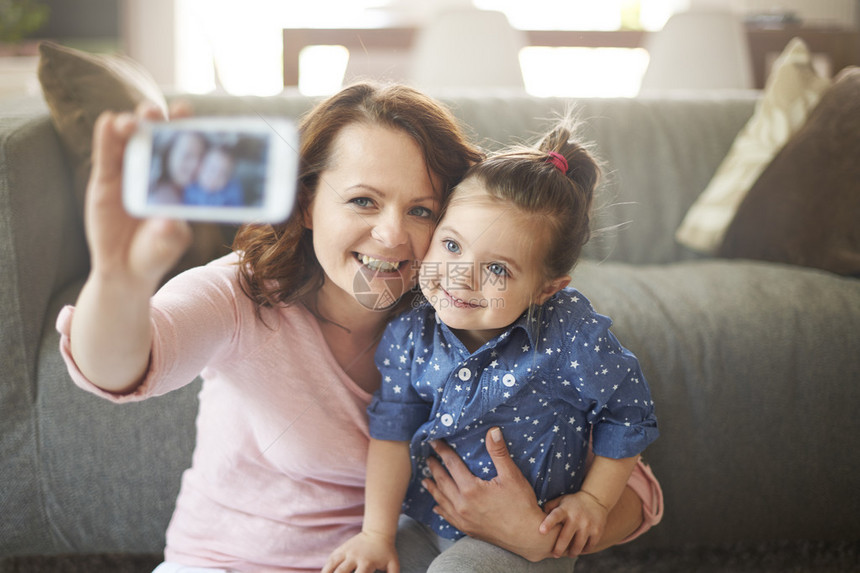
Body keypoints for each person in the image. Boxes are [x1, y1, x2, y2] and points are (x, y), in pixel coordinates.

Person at [57, 82, 662, 573]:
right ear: (305, 203)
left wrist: (534, 538)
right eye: (363, 201)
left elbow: (635, 493)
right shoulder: (243, 291)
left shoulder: (466, 312)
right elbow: (122, 365)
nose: (393, 236)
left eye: (421, 210)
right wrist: (117, 280)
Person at [325, 120, 659, 572]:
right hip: (428, 519)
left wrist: (594, 502)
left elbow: (628, 411)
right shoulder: (411, 330)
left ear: (546, 289)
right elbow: (393, 430)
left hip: (521, 540)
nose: (461, 276)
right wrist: (375, 535)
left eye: (498, 269)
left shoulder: (570, 337)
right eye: (451, 245)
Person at [148, 130, 208, 205]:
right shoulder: (156, 199)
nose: (195, 165)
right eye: (187, 155)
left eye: (201, 158)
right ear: (168, 155)